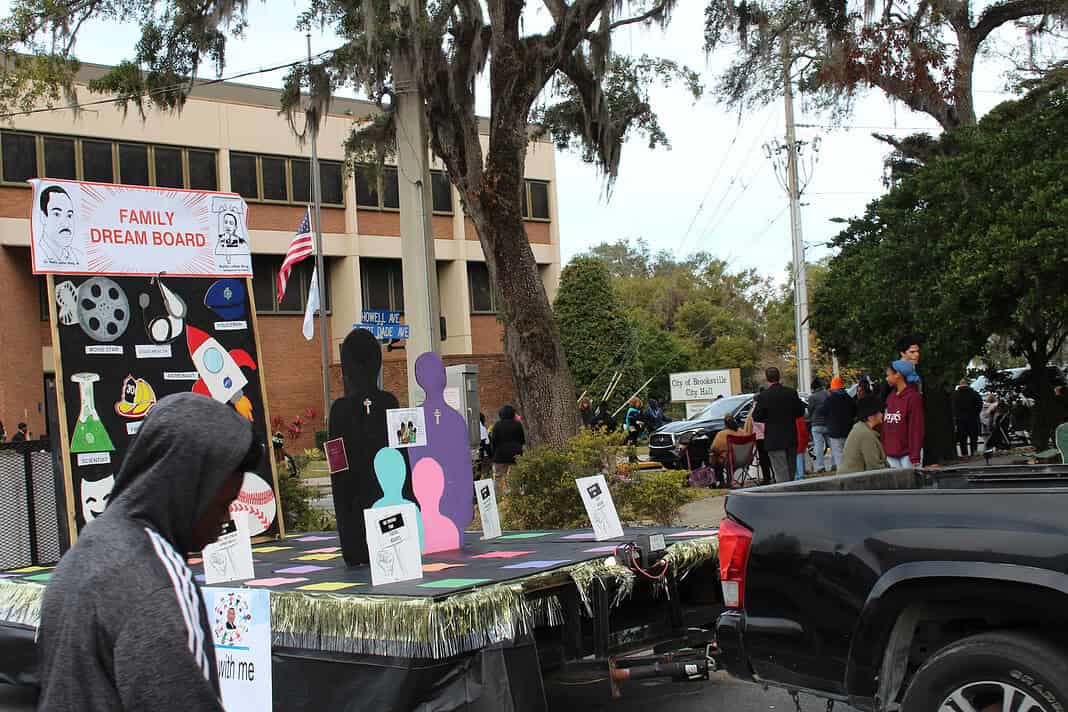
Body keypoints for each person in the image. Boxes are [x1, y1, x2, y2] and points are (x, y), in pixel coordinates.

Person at [37, 393, 262, 712]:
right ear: (187, 490)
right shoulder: (156, 584)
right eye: (222, 504)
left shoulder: (91, 544)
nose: (225, 518)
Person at [752, 367, 806, 483]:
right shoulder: (791, 393)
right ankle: (791, 491)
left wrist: (769, 418)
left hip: (774, 439)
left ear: (767, 379)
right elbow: (800, 412)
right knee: (791, 470)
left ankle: (784, 495)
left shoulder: (764, 396)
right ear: (779, 377)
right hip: (791, 437)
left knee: (780, 472)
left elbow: (756, 417)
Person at [883, 360, 925, 468]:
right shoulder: (890, 397)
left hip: (908, 455)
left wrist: (915, 456)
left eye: (888, 375)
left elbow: (916, 428)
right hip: (891, 455)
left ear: (898, 375)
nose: (886, 378)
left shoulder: (913, 398)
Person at [838, 397, 888, 474]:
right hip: (853, 481)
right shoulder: (866, 435)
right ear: (871, 416)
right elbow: (874, 466)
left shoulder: (860, 427)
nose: (882, 414)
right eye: (880, 412)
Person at [37, 185, 81, 266]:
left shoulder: (78, 256)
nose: (66, 223)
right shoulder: (39, 252)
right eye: (57, 214)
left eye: (69, 215)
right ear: (43, 217)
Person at [822, 377, 857, 469]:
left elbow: (822, 412)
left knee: (838, 455)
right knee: (849, 454)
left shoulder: (829, 400)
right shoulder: (849, 399)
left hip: (835, 432)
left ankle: (842, 474)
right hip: (848, 431)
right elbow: (855, 412)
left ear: (832, 388)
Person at [490, 405, 525, 481]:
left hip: (500, 455)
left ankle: (499, 492)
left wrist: (493, 454)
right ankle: (514, 492)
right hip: (516, 455)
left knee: (499, 478)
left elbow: (494, 442)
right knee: (515, 479)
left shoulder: (497, 425)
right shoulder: (518, 425)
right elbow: (522, 440)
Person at [710, 414, 746, 487]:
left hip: (730, 461)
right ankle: (729, 480)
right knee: (725, 456)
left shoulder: (722, 434)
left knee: (714, 457)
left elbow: (714, 448)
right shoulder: (743, 432)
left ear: (725, 424)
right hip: (745, 460)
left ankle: (721, 482)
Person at [744, 393, 772, 485]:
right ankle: (771, 475)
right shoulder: (763, 408)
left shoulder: (753, 410)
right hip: (766, 436)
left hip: (758, 437)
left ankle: (766, 477)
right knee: (769, 457)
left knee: (763, 458)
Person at [951, 379, 983, 457]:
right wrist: (975, 413)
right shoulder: (975, 394)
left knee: (962, 439)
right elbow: (979, 406)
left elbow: (952, 407)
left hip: (960, 419)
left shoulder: (955, 395)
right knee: (973, 438)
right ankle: (974, 452)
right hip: (973, 419)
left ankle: (964, 453)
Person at [807, 378, 831, 473]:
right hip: (828, 423)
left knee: (818, 446)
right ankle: (834, 464)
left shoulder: (812, 397)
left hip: (816, 424)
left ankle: (821, 466)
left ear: (813, 388)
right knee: (832, 445)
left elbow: (810, 410)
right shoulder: (828, 394)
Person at [794, 413, 810, 480]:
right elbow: (804, 430)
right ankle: (800, 476)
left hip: (791, 441)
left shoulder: (786, 416)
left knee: (793, 459)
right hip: (800, 440)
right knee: (799, 458)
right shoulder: (799, 417)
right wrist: (807, 439)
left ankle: (796, 476)